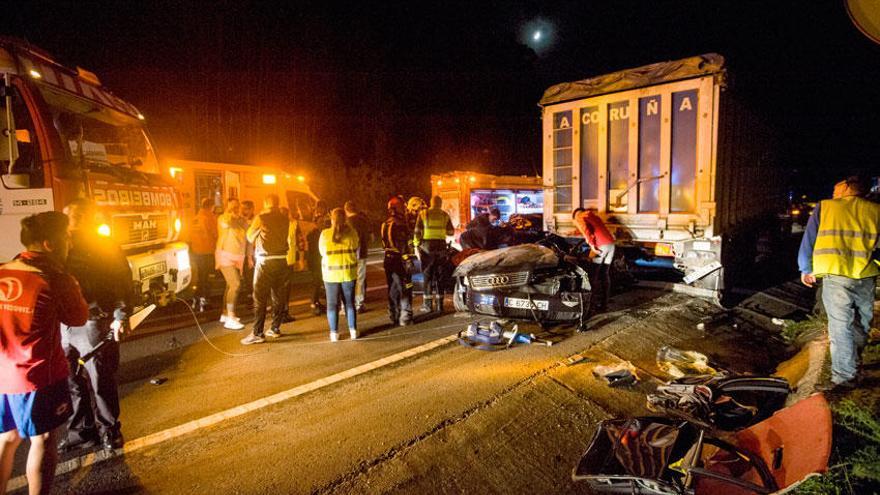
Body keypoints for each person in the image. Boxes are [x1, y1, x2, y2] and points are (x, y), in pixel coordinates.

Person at [1, 211, 89, 494]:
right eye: (66, 238)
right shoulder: (55, 279)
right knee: (44, 438)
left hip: (3, 372)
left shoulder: (4, 269)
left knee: (7, 437)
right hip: (38, 375)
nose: (70, 244)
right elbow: (78, 318)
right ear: (50, 243)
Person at [57, 199, 131, 454]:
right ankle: (81, 432)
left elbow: (122, 280)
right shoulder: (60, 247)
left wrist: (120, 315)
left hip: (93, 320)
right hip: (65, 323)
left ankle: (109, 431)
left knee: (100, 378)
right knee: (71, 379)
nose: (71, 224)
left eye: (75, 218)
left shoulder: (104, 246)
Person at [798, 176, 880, 389]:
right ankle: (853, 363)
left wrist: (806, 268)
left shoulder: (825, 208)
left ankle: (844, 377)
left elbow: (809, 239)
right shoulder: (875, 210)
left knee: (840, 326)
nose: (833, 193)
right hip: (866, 275)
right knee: (862, 323)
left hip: (836, 274)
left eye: (836, 189)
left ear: (846, 188)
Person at [240, 194, 290, 345]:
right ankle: (275, 328)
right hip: (282, 260)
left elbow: (249, 237)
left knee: (260, 297)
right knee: (278, 296)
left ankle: (258, 333)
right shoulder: (285, 218)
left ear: (265, 202)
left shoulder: (261, 217)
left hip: (265, 261)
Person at [320, 207, 360, 341]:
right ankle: (353, 331)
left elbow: (321, 252)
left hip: (330, 275)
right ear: (345, 219)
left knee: (332, 305)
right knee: (349, 303)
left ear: (331, 219)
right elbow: (355, 247)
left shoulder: (325, 234)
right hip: (348, 273)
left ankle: (334, 333)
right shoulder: (352, 233)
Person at [414, 196, 454, 313]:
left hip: (427, 248)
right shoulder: (444, 215)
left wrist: (417, 245)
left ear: (431, 203)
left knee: (428, 276)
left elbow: (417, 231)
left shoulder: (423, 214)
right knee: (439, 276)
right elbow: (451, 232)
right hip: (441, 247)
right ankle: (440, 305)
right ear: (440, 204)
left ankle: (427, 305)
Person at [572, 207, 616, 312]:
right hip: (611, 245)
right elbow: (589, 229)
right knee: (604, 273)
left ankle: (590, 307)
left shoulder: (580, 217)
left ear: (576, 215)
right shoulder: (593, 216)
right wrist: (571, 233)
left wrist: (592, 245)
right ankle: (604, 305)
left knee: (593, 275)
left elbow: (586, 231)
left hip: (601, 246)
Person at [382, 197, 415, 326]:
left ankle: (393, 314)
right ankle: (405, 316)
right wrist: (407, 260)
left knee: (392, 288)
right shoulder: (399, 224)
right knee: (405, 287)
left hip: (388, 259)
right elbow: (402, 244)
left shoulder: (386, 223)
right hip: (399, 261)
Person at [216, 198, 247, 330]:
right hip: (225, 256)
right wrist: (231, 213)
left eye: (237, 206)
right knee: (235, 284)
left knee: (230, 285)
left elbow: (246, 230)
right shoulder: (223, 218)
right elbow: (226, 223)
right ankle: (230, 317)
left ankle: (225, 313)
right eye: (232, 206)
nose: (236, 208)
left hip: (237, 258)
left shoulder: (240, 220)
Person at [190, 197, 218, 312]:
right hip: (208, 252)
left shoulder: (195, 218)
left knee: (201, 276)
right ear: (211, 206)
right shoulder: (210, 218)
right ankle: (205, 300)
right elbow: (216, 234)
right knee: (209, 277)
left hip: (197, 252)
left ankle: (196, 299)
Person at [345, 201, 372, 313]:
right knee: (360, 279)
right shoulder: (364, 221)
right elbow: (371, 237)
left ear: (346, 210)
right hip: (362, 253)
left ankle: (348, 304)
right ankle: (359, 303)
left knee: (348, 278)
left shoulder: (346, 222)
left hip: (350, 254)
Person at [279, 208, 304, 323]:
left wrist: (301, 259)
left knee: (281, 287)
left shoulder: (293, 224)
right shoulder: (293, 224)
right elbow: (300, 241)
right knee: (284, 287)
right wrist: (301, 259)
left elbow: (300, 241)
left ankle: (282, 312)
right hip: (285, 260)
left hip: (283, 260)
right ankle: (283, 312)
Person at [305, 201, 330, 315]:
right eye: (320, 222)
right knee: (316, 281)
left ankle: (317, 301)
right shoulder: (313, 234)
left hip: (321, 260)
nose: (322, 224)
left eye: (323, 222)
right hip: (315, 261)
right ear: (316, 223)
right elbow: (313, 250)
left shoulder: (324, 232)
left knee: (319, 281)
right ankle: (314, 302)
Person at [238, 200, 257, 305]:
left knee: (253, 274)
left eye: (245, 208)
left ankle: (254, 295)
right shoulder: (240, 220)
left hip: (254, 251)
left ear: (251, 209)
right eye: (242, 208)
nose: (243, 211)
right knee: (247, 275)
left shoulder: (256, 220)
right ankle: (249, 294)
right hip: (243, 252)